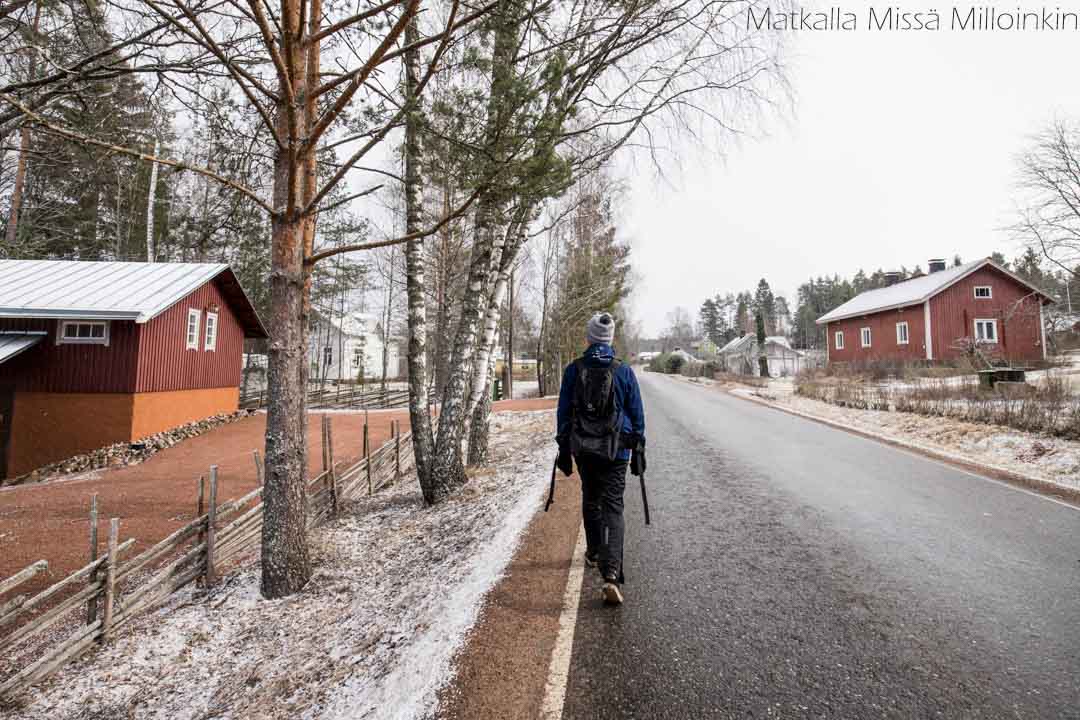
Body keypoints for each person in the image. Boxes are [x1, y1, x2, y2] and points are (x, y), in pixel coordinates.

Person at [556, 311, 646, 605]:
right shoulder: (623, 371)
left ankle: (594, 551)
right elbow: (637, 413)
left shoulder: (574, 369)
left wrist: (564, 448)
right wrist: (639, 446)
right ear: (609, 338)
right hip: (617, 449)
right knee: (614, 506)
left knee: (590, 497)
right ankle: (611, 574)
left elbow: (564, 413)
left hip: (584, 448)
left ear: (589, 337)